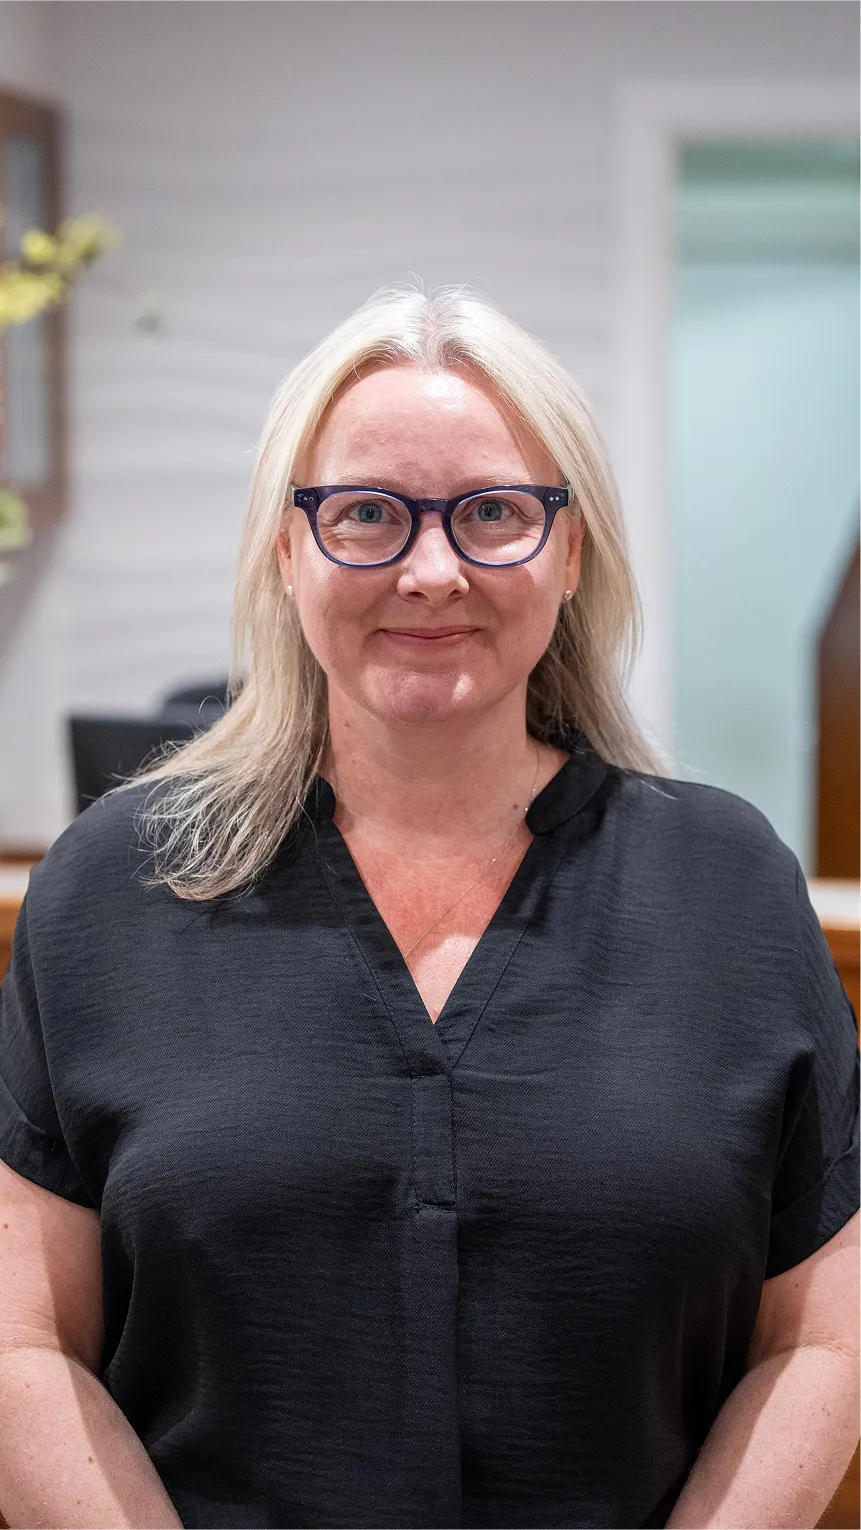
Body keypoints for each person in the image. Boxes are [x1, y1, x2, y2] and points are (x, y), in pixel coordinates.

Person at [0, 284, 858, 1530]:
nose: (432, 568)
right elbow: (26, 1342)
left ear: (570, 551)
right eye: (365, 514)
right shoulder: (110, 893)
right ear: (287, 551)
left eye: (496, 512)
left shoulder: (728, 888)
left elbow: (817, 1343)